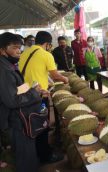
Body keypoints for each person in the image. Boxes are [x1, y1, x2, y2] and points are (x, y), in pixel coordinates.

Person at [19, 31, 68, 164]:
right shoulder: (46, 55)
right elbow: (55, 75)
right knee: (42, 124)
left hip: (24, 94)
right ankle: (45, 156)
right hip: (38, 96)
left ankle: (38, 151)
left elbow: (32, 71)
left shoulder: (24, 53)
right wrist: (65, 79)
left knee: (32, 124)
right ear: (47, 44)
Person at [0, 32, 44, 172]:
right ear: (2, 50)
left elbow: (17, 89)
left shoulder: (9, 65)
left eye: (20, 47)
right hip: (15, 121)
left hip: (19, 118)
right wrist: (34, 93)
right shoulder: (4, 70)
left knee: (27, 153)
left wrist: (31, 88)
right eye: (14, 48)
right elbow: (12, 100)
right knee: (25, 158)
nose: (19, 51)